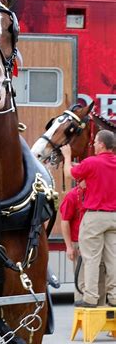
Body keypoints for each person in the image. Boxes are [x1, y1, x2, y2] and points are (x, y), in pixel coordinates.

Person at [61, 129, 116, 308]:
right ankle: (114, 297)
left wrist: (67, 156)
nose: (93, 146)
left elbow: (69, 174)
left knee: (91, 257)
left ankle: (91, 298)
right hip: (114, 218)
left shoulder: (92, 162)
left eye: (95, 143)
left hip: (95, 217)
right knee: (113, 259)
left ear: (101, 144)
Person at [59, 181, 106, 304]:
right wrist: (69, 246)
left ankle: (99, 308)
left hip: (97, 241)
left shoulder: (97, 193)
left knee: (100, 279)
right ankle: (81, 308)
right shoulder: (72, 196)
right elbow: (65, 222)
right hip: (78, 242)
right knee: (81, 280)